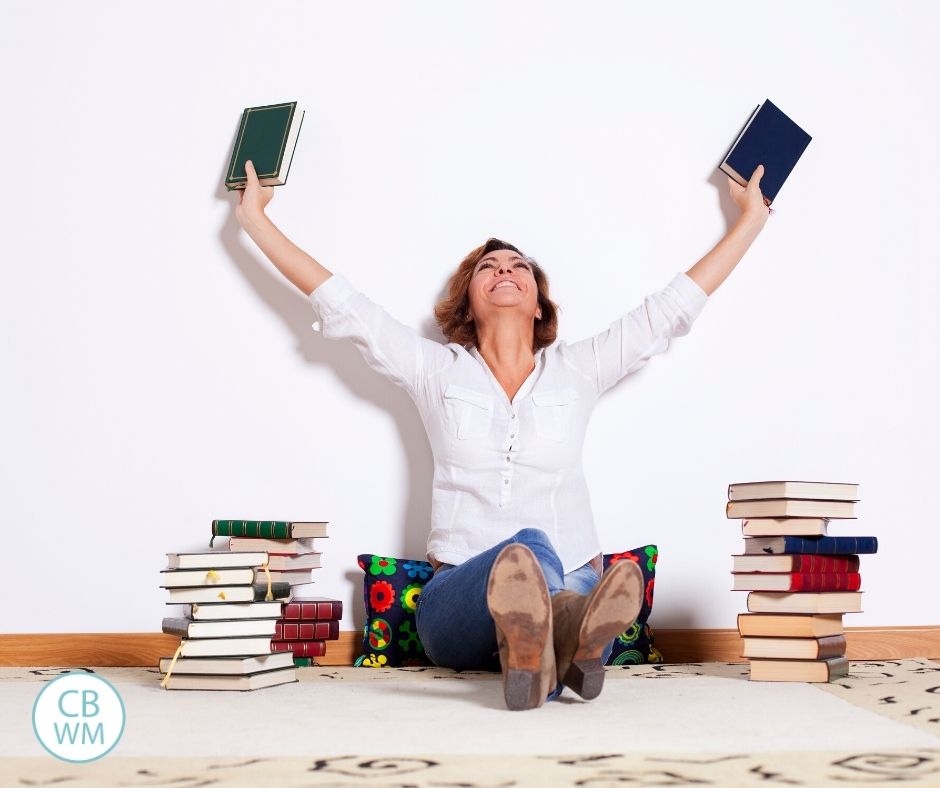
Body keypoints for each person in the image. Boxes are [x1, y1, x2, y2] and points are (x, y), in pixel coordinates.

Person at [233, 159, 770, 710]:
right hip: (457, 602)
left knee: (565, 584)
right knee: (529, 547)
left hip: (576, 577)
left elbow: (670, 311)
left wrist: (750, 219)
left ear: (539, 304)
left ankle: (543, 649)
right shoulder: (434, 370)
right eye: (489, 267)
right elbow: (343, 305)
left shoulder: (580, 368)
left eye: (520, 267)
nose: (505, 270)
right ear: (469, 299)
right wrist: (254, 220)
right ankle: (566, 643)